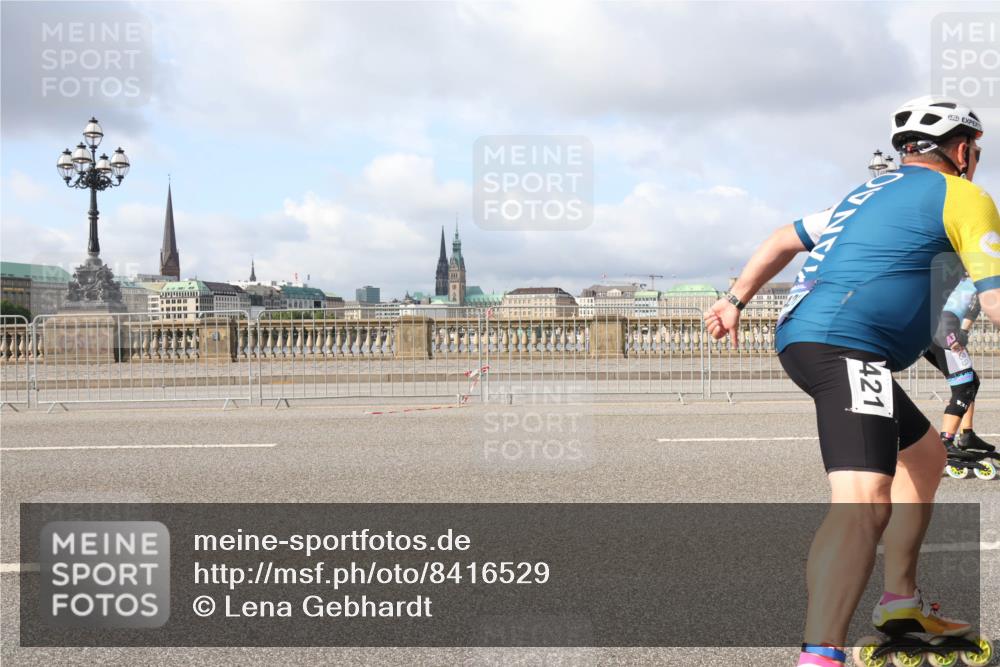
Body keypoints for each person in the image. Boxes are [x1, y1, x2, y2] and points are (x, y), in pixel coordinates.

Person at [704, 95, 997, 667]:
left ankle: (900, 603)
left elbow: (782, 238)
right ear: (962, 150)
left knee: (925, 458)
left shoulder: (860, 197)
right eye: (977, 151)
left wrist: (736, 298)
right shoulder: (964, 196)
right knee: (862, 502)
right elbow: (995, 300)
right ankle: (819, 658)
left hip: (815, 337)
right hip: (848, 346)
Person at [923, 274, 997, 460]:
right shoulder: (987, 271)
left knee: (971, 379)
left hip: (930, 327)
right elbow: (976, 302)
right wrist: (962, 332)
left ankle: (967, 435)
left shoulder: (960, 269)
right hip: (947, 328)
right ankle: (946, 442)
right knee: (964, 387)